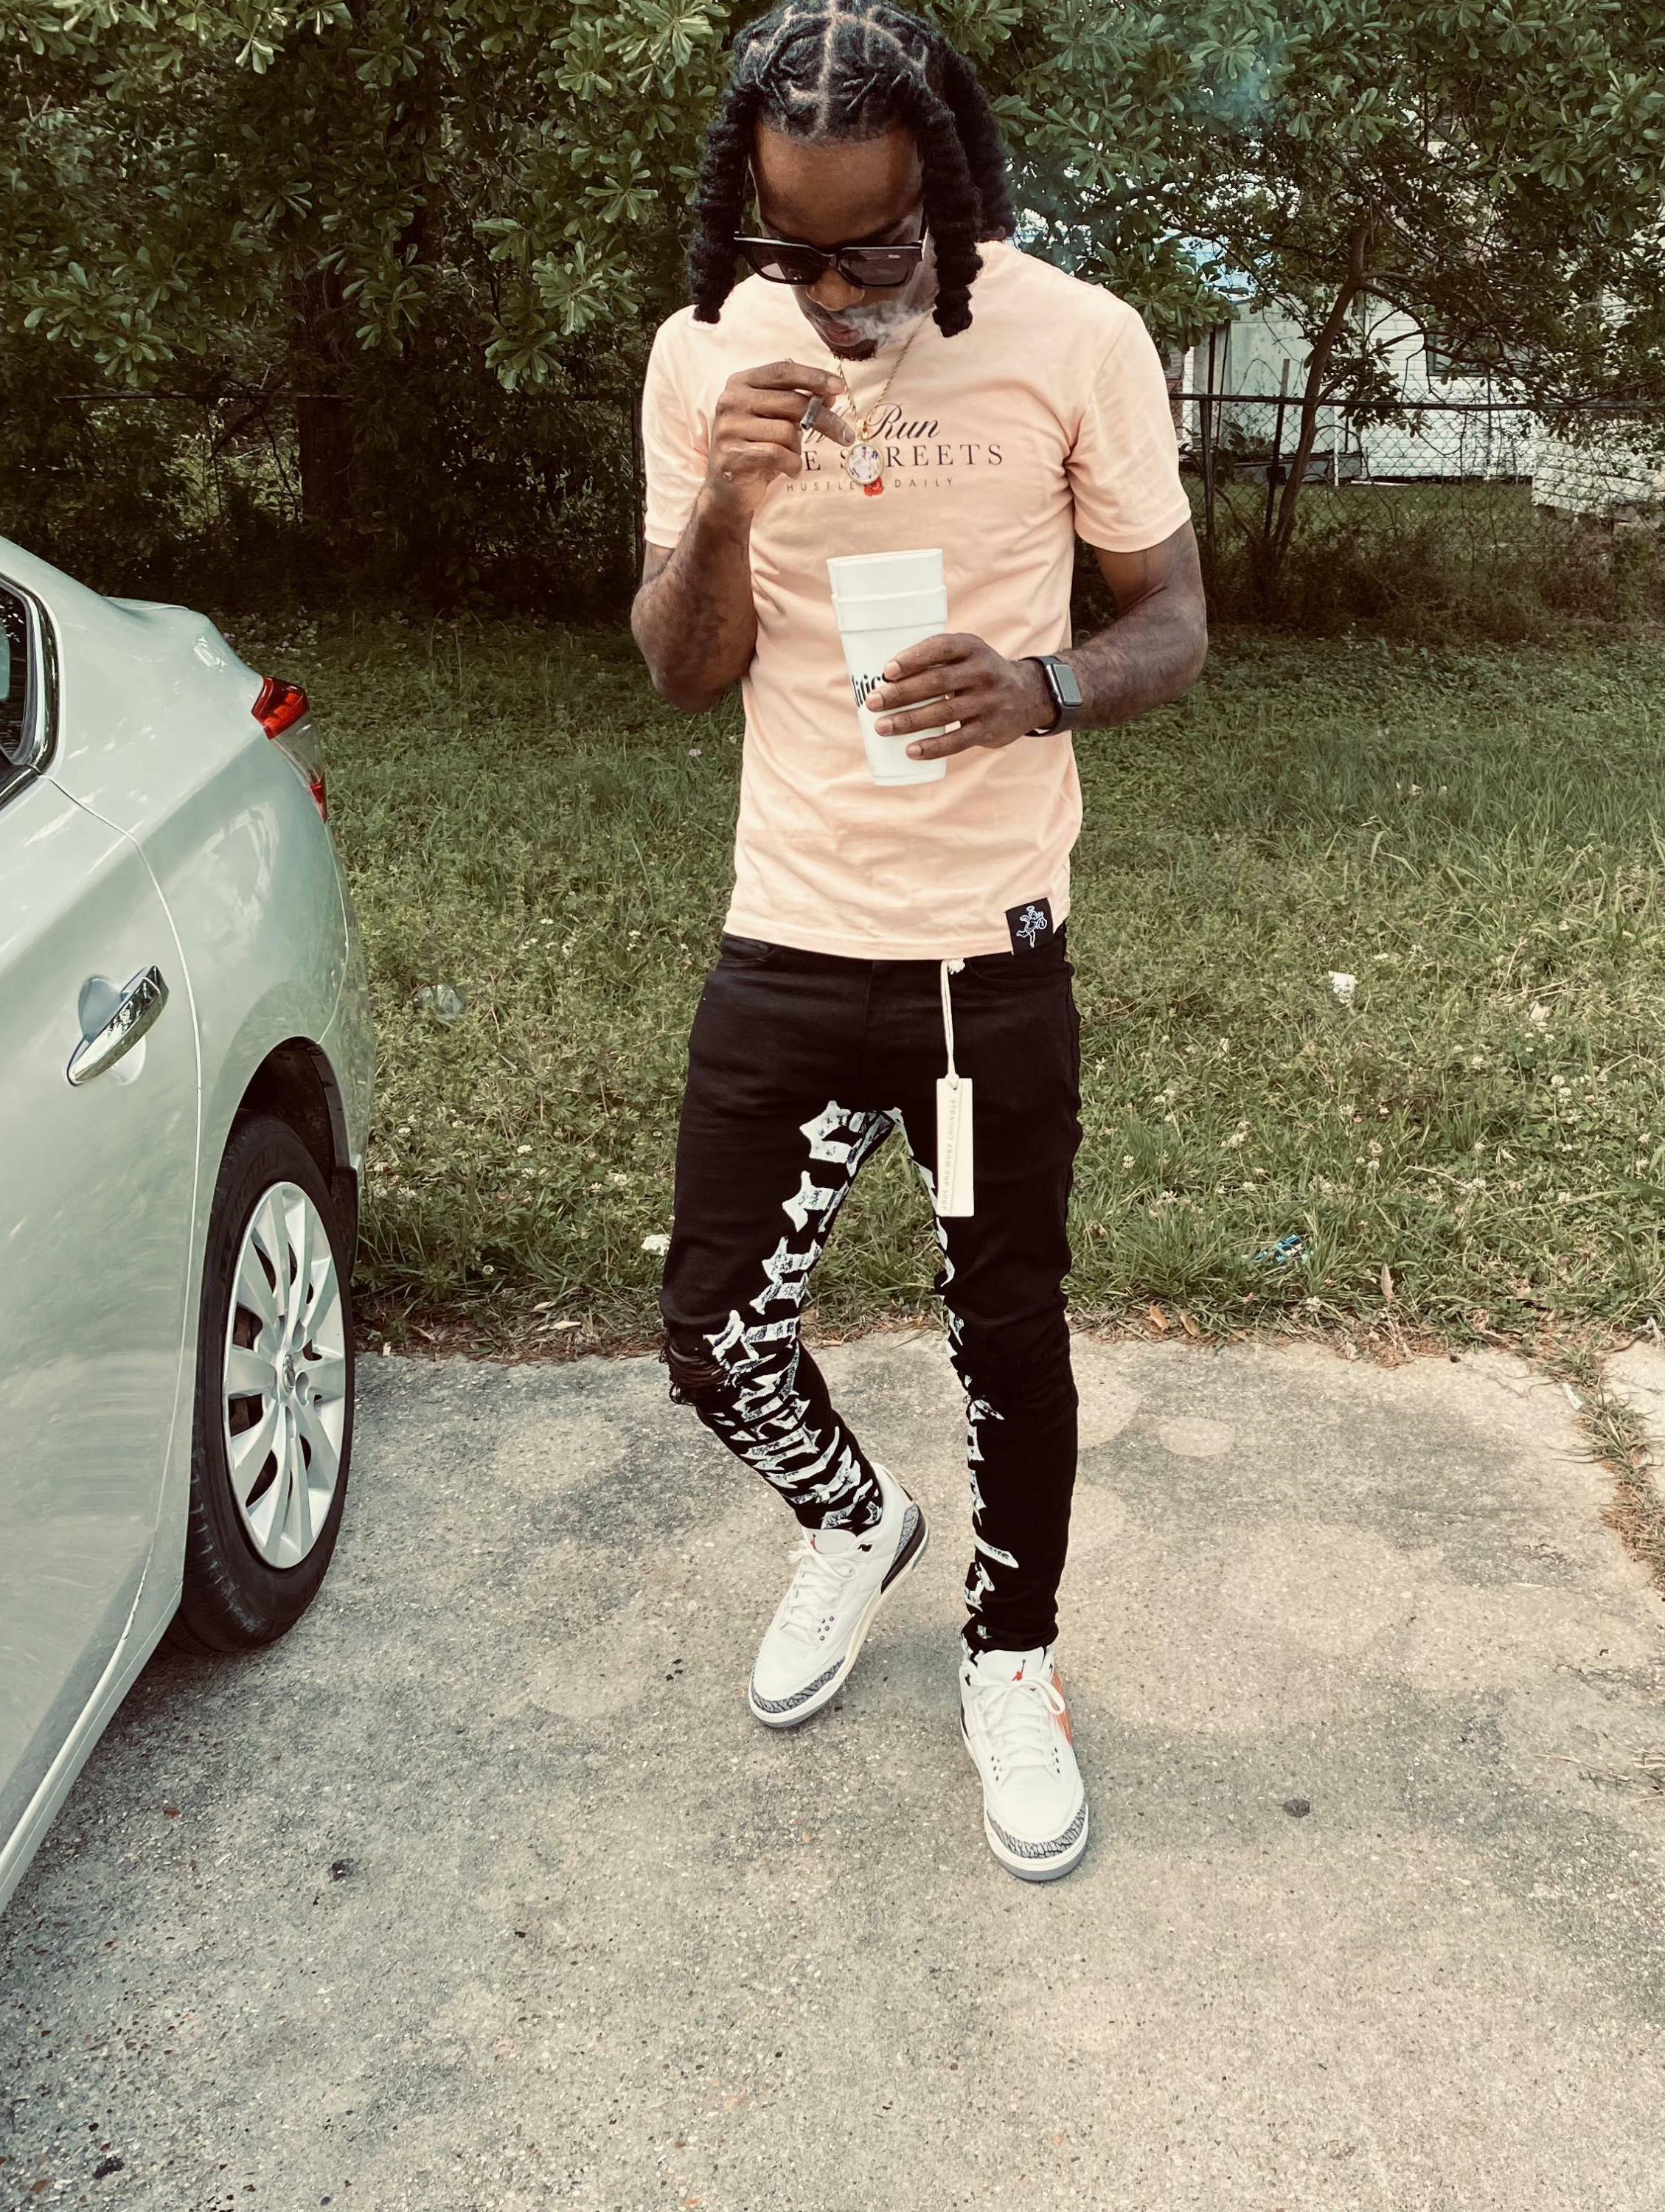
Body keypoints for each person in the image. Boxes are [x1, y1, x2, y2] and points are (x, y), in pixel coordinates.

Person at [630, 0, 1206, 1883]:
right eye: (790, 252)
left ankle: (1011, 1655)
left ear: (949, 201)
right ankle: (853, 1523)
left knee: (1000, 1333)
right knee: (716, 1331)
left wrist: (1047, 686)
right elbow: (679, 668)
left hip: (977, 978)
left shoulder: (1074, 339)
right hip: (792, 949)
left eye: (874, 253)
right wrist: (728, 504)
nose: (832, 297)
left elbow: (1176, 623)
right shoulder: (708, 352)